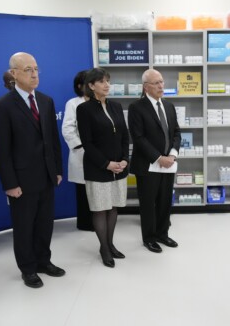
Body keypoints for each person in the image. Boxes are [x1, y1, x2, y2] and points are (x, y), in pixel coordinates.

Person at [0, 52, 65, 288]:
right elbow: (1, 150)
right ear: (13, 74)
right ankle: (28, 268)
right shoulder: (2, 106)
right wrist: (10, 184)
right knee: (24, 227)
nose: (34, 74)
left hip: (46, 175)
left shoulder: (45, 100)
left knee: (45, 223)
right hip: (21, 180)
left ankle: (44, 260)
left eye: (36, 69)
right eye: (27, 70)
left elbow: (52, 139)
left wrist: (57, 170)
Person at [76, 68, 129, 268]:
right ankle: (104, 248)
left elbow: (125, 136)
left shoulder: (116, 106)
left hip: (119, 167)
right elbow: (87, 143)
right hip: (98, 168)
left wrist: (124, 159)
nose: (107, 85)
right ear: (91, 86)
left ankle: (110, 244)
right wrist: (107, 164)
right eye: (101, 81)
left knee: (113, 206)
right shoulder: (84, 109)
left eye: (108, 81)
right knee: (100, 209)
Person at [128, 69, 181, 253]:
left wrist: (172, 155)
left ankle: (162, 234)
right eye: (156, 83)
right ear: (145, 87)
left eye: (162, 82)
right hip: (148, 165)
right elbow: (139, 138)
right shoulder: (136, 108)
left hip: (168, 164)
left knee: (165, 201)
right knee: (148, 203)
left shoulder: (169, 106)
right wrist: (159, 158)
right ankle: (149, 238)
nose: (161, 86)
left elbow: (176, 133)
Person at [62, 70, 94, 231]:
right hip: (82, 154)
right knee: (83, 192)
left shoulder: (100, 101)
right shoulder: (73, 103)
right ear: (80, 86)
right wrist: (82, 147)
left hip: (100, 156)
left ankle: (99, 222)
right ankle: (85, 223)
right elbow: (68, 129)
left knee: (97, 190)